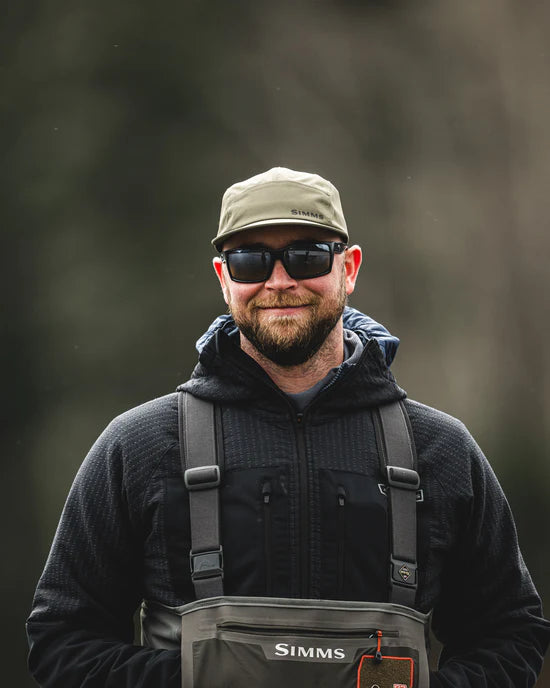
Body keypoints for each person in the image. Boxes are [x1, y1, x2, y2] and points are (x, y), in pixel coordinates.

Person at [27, 167, 549, 687]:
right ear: (223, 277)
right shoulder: (137, 445)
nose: (280, 281)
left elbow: (510, 634)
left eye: (307, 255)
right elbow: (62, 642)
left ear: (349, 267)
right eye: (251, 260)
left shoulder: (442, 451)